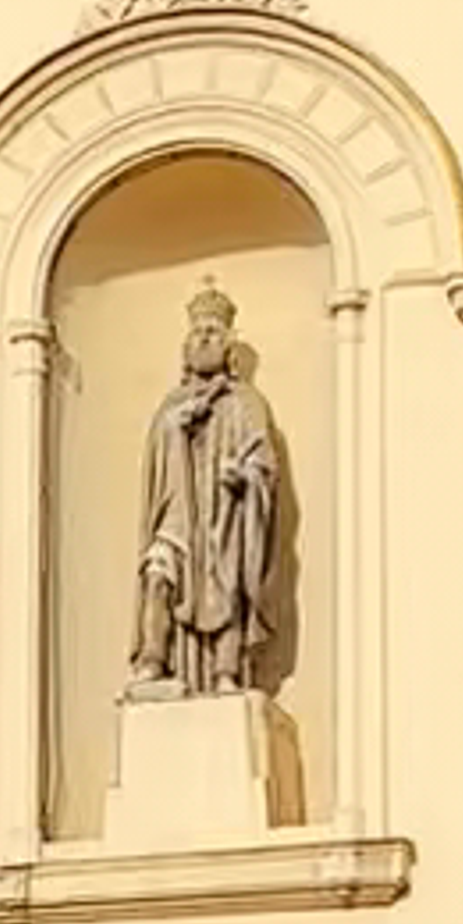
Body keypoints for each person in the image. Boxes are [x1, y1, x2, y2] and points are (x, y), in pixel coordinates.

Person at [127, 286, 282, 697]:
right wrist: (180, 422)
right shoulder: (171, 405)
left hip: (224, 515)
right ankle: (153, 660)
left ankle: (225, 672)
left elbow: (263, 460)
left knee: (226, 582)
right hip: (178, 514)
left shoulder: (246, 403)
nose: (203, 341)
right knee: (158, 575)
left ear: (229, 347)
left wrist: (244, 476)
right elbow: (156, 459)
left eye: (213, 333)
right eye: (197, 334)